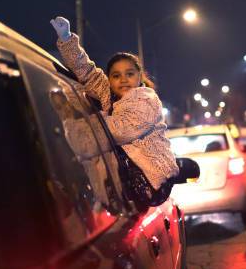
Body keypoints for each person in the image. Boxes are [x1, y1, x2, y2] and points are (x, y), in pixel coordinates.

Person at [50, 16, 179, 203]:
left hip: (152, 181)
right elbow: (86, 71)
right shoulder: (108, 95)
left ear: (140, 77)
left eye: (129, 74)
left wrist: (72, 130)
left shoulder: (146, 99)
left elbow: (120, 129)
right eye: (116, 76)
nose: (123, 79)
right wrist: (67, 38)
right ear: (109, 80)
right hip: (124, 182)